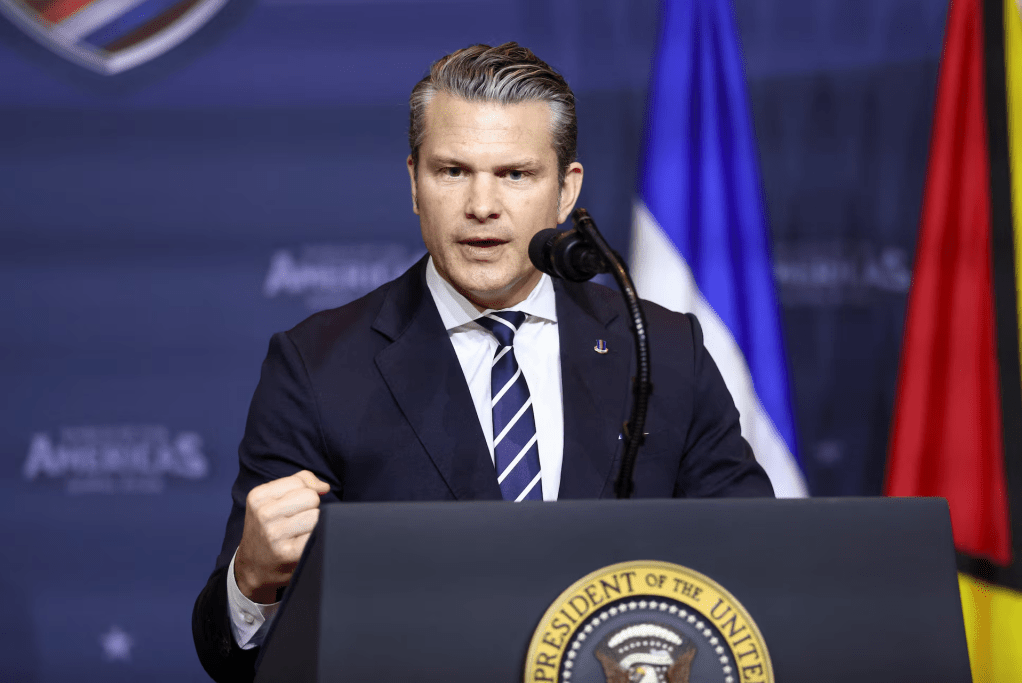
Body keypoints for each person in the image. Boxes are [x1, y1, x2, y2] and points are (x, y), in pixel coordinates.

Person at [192, 42, 774, 682]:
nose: (482, 206)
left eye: (515, 174)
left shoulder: (662, 350)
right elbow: (231, 656)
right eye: (452, 171)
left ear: (565, 190)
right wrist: (250, 579)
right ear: (414, 183)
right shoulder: (319, 365)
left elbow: (753, 569)